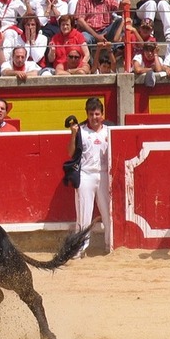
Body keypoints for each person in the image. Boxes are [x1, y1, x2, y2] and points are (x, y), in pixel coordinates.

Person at [67, 97, 112, 256]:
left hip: (105, 174)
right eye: (91, 114)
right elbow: (71, 153)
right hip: (86, 174)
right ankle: (80, 249)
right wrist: (73, 135)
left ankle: (110, 245)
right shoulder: (80, 131)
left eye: (97, 114)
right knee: (84, 215)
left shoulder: (110, 130)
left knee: (109, 213)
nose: (94, 117)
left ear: (102, 115)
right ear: (87, 114)